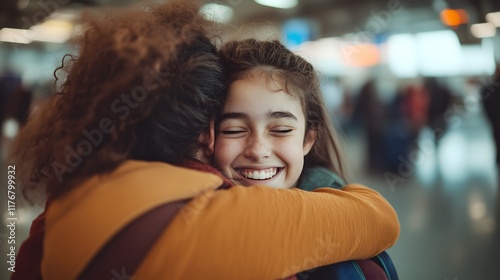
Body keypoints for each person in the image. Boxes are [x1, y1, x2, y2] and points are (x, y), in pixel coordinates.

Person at [9, 2, 399, 280]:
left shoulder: (66, 203)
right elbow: (376, 218)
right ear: (205, 131)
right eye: (230, 126)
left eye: (280, 127)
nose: (258, 147)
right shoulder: (207, 221)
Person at [214, 39, 397, 279]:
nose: (258, 150)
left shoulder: (356, 257)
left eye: (280, 129)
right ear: (206, 136)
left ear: (309, 138)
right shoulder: (185, 221)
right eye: (233, 130)